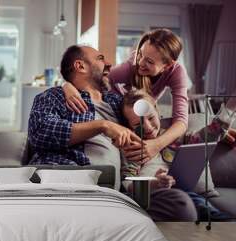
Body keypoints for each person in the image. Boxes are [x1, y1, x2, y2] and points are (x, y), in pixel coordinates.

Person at [28, 45, 197, 221]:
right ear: (80, 66)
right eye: (100, 58)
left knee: (180, 204)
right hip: (71, 181)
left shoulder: (117, 103)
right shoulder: (54, 97)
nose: (109, 63)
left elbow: (150, 120)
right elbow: (40, 132)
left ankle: (109, 221)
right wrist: (102, 125)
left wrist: (216, 131)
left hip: (116, 195)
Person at [63, 28, 190, 165]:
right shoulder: (131, 66)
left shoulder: (176, 72)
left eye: (149, 61)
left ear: (168, 65)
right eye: (140, 54)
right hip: (120, 114)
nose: (140, 63)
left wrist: (156, 145)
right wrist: (67, 86)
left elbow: (181, 121)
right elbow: (93, 78)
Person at [121, 88, 234, 220]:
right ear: (129, 127)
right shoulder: (132, 148)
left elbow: (208, 135)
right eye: (137, 124)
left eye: (151, 118)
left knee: (208, 211)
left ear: (157, 112)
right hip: (155, 198)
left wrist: (230, 107)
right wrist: (154, 183)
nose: (147, 127)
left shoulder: (176, 138)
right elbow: (127, 184)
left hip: (186, 193)